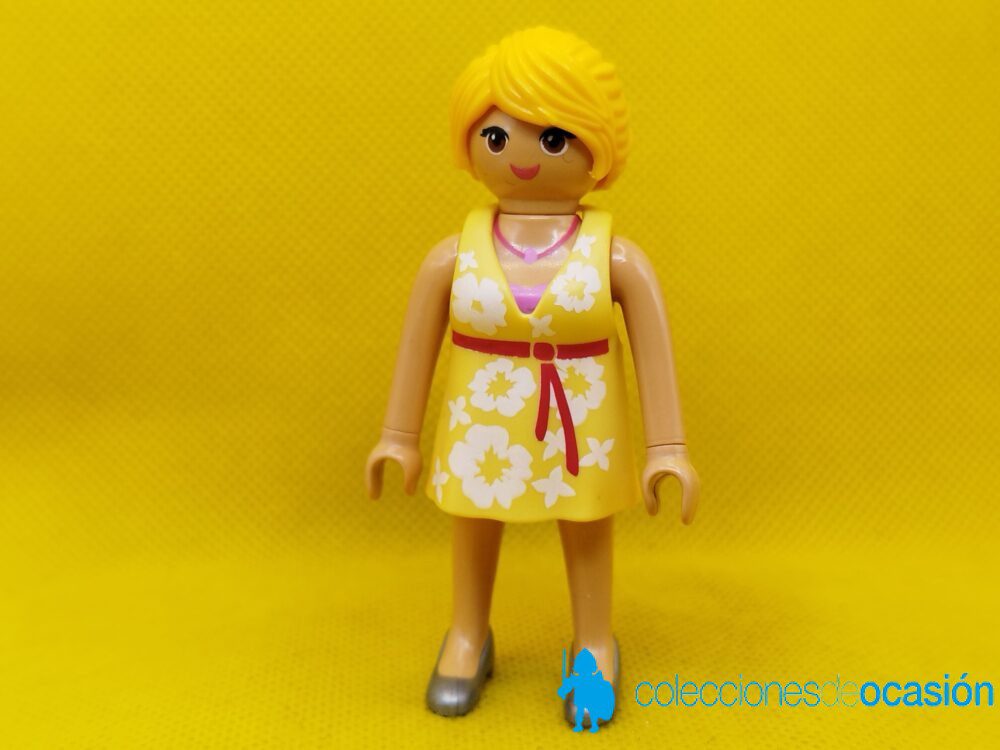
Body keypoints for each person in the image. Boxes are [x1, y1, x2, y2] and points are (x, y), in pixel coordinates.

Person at [365, 27, 700, 727]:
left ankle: (593, 644)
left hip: (580, 416)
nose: (521, 155)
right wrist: (398, 436)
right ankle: (467, 635)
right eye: (495, 136)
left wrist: (667, 449)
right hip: (481, 413)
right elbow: (418, 345)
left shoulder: (617, 258)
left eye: (553, 138)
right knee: (474, 518)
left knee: (585, 524)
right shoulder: (451, 256)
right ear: (468, 141)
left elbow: (653, 349)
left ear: (597, 147)